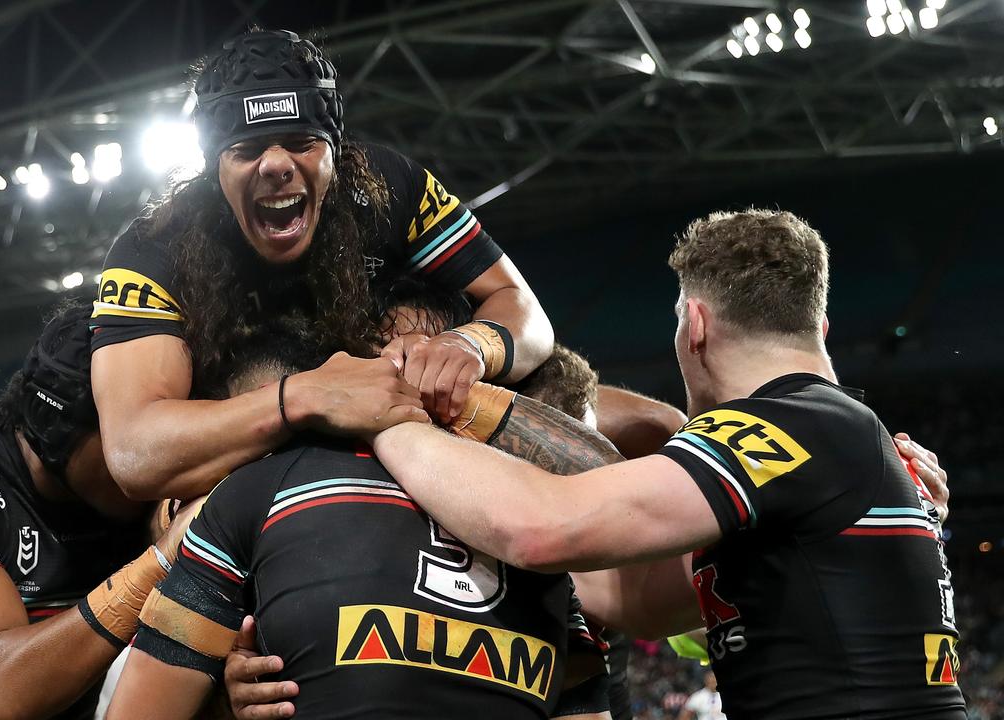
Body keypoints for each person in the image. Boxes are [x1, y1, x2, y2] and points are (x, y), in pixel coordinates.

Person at [366, 209, 964, 718]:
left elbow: (542, 527)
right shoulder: (852, 441)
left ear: (694, 326)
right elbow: (641, 602)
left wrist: (387, 414)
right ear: (821, 328)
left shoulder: (788, 429)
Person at [90, 28, 555, 503]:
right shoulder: (153, 248)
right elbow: (134, 452)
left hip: (390, 419)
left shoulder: (392, 186)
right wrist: (307, 397)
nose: (275, 164)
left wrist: (470, 344)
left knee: (594, 407)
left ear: (335, 151)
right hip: (241, 466)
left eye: (300, 142)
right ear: (215, 170)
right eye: (247, 150)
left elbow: (526, 312)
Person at [105, 315, 610, 720]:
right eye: (395, 354)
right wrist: (219, 694)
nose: (412, 367)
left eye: (431, 353)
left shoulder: (529, 525)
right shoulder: (256, 495)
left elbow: (603, 491)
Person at [0, 303, 198, 720]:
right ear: (54, 423)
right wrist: (160, 561)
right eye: (130, 430)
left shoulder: (136, 499)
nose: (155, 453)